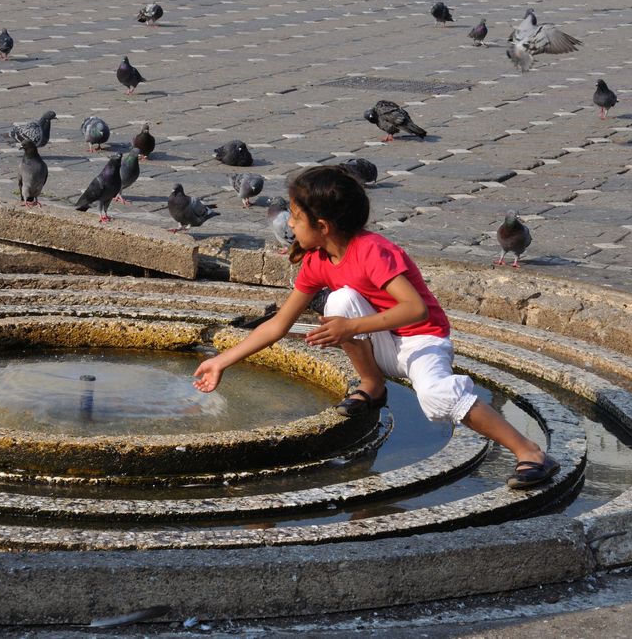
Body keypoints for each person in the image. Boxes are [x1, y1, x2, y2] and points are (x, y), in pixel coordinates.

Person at [193, 165, 559, 489]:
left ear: (322, 226)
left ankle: (529, 451)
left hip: (422, 341)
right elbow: (278, 324)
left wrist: (352, 327)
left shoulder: (373, 251)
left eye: (294, 216)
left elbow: (415, 309)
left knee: (437, 397)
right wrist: (222, 361)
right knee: (339, 302)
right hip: (382, 342)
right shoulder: (318, 260)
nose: (288, 223)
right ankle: (373, 384)